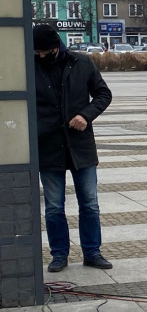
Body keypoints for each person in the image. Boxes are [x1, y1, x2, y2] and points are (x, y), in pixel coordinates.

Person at [33, 24, 113, 272]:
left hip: (80, 145)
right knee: (54, 206)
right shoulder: (29, 65)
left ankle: (92, 252)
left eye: (45, 52)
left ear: (56, 46)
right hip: (47, 145)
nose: (41, 56)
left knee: (90, 203)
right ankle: (59, 255)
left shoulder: (81, 63)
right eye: (37, 53)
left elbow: (103, 94)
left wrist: (86, 115)